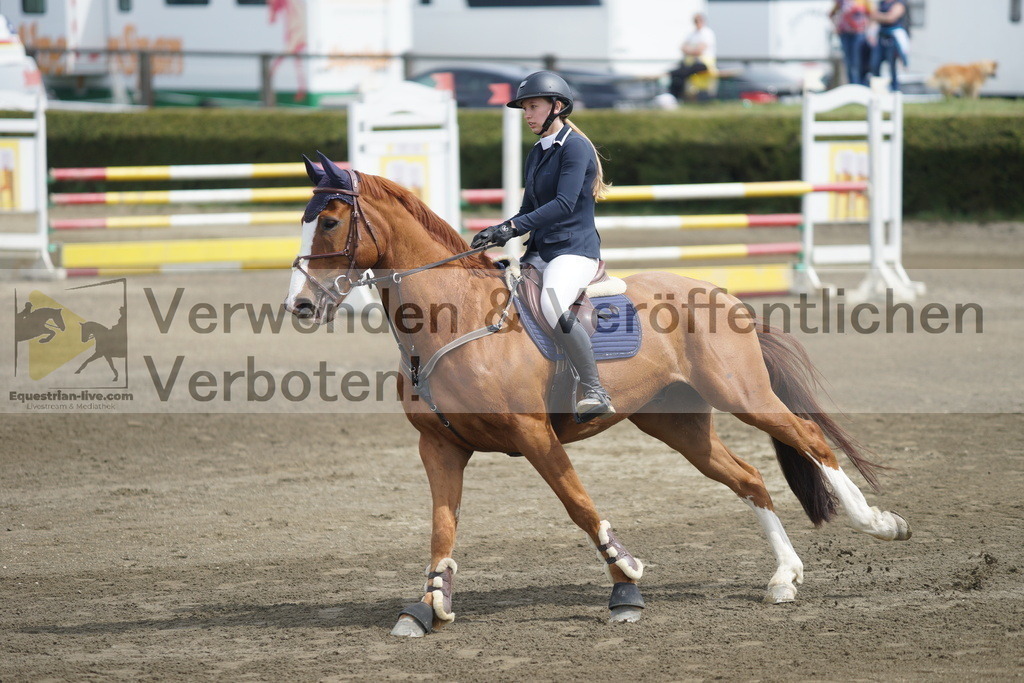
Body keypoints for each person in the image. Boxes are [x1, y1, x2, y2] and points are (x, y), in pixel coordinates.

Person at [471, 71, 615, 421]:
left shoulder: (575, 147)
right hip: (538, 251)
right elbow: (528, 209)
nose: (528, 115)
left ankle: (595, 388)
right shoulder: (537, 152)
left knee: (552, 304)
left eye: (533, 107)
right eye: (525, 109)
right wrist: (500, 232)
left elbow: (565, 204)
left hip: (574, 251)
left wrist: (513, 226)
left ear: (557, 106)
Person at [668, 13, 717, 101]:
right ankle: (675, 97)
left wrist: (690, 50)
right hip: (691, 63)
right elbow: (683, 47)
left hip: (703, 64)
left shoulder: (707, 33)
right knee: (676, 73)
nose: (697, 23)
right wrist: (693, 50)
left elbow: (699, 50)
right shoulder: (691, 34)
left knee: (684, 72)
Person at [870, 0, 909, 91]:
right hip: (881, 36)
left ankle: (895, 88)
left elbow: (891, 18)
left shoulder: (899, 2)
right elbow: (872, 16)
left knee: (892, 65)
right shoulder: (882, 3)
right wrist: (884, 17)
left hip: (893, 38)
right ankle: (877, 88)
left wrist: (879, 16)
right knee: (875, 63)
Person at [830, 0, 871, 86]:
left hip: (859, 34)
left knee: (858, 62)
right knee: (849, 63)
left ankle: (860, 85)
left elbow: (871, 14)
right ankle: (852, 85)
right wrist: (836, 26)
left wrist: (869, 30)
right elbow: (831, 14)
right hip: (845, 34)